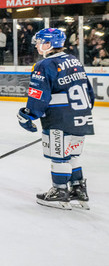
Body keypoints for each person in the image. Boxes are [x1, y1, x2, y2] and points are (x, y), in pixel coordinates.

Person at [17, 28, 94, 210]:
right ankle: (78, 189)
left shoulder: (44, 65)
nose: (36, 45)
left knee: (59, 157)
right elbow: (89, 92)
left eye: (39, 41)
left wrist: (27, 115)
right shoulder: (74, 60)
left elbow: (38, 95)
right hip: (80, 115)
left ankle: (60, 190)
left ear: (49, 44)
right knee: (72, 153)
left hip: (59, 118)